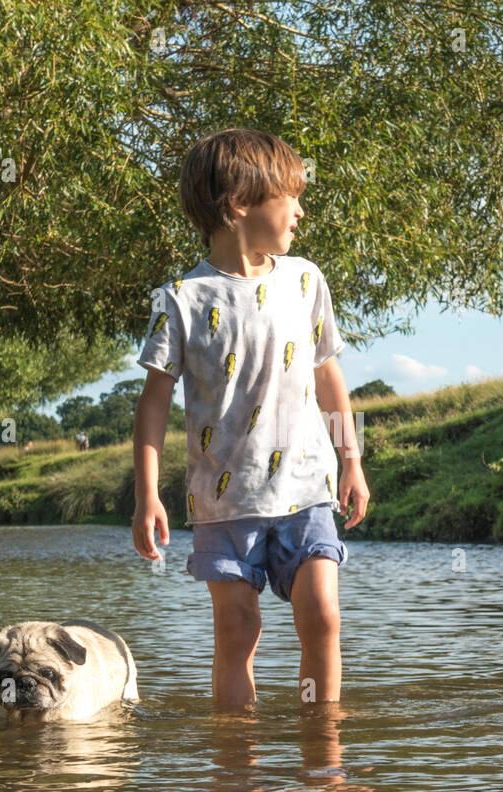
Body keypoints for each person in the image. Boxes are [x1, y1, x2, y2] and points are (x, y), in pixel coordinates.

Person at [131, 128, 369, 711]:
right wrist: (147, 496)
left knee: (323, 617)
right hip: (223, 503)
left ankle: (323, 745)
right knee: (238, 630)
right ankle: (238, 776)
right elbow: (154, 403)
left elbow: (328, 379)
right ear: (239, 203)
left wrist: (352, 461)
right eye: (288, 197)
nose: (300, 211)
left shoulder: (305, 280)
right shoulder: (182, 299)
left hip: (305, 491)